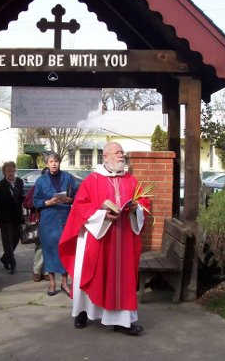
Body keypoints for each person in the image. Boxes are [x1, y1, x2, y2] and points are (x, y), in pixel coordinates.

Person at [59, 142, 151, 336]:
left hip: (123, 240)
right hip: (98, 239)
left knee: (122, 280)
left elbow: (143, 201)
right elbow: (79, 208)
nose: (121, 156)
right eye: (117, 153)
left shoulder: (131, 181)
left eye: (122, 153)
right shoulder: (92, 180)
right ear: (106, 157)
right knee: (91, 274)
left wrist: (137, 208)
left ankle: (123, 321)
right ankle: (83, 312)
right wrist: (101, 214)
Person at [33, 152, 77, 296]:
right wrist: (48, 202)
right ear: (47, 164)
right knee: (49, 251)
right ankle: (52, 283)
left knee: (64, 250)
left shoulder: (68, 177)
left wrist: (69, 200)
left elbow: (76, 196)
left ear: (59, 162)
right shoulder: (40, 181)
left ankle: (64, 283)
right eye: (51, 161)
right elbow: (35, 201)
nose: (54, 164)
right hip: (48, 220)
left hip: (65, 218)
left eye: (56, 161)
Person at [0, 161, 24, 275]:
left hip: (17, 217)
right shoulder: (0, 185)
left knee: (16, 239)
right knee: (7, 242)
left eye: (12, 170)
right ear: (4, 172)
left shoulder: (19, 182)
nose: (10, 173)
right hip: (5, 218)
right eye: (8, 171)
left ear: (15, 171)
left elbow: (21, 198)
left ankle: (4, 258)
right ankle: (12, 264)